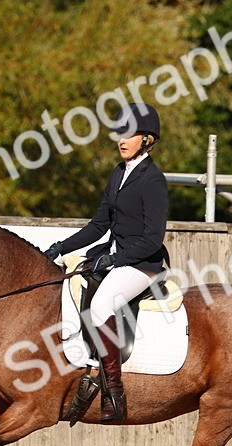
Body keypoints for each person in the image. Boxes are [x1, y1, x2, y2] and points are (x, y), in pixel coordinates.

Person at [43, 102, 169, 423]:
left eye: (129, 134)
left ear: (147, 139)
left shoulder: (153, 180)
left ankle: (114, 392)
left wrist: (113, 259)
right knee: (74, 278)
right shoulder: (118, 173)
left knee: (101, 306)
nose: (121, 140)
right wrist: (61, 247)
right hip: (118, 257)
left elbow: (152, 239)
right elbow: (99, 225)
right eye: (119, 134)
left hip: (144, 264)